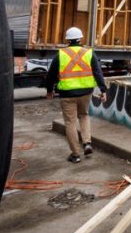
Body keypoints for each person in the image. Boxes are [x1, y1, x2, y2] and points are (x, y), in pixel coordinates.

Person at [45, 27, 108, 163]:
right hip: (86, 92)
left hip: (67, 94)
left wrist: (49, 90)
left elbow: (50, 76)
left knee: (70, 122)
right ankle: (87, 143)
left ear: (67, 39)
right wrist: (103, 90)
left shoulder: (60, 55)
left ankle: (75, 154)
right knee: (84, 116)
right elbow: (98, 73)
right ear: (81, 38)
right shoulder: (89, 53)